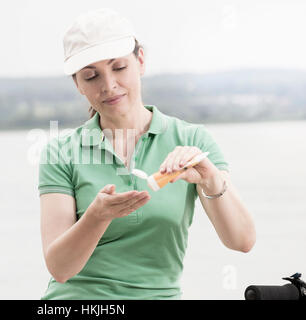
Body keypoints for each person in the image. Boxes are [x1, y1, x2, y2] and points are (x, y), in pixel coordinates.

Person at [38, 8, 256, 300]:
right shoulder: (60, 152)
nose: (109, 85)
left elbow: (242, 241)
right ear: (78, 84)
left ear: (140, 61)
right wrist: (96, 217)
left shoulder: (191, 139)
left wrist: (210, 179)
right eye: (91, 76)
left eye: (118, 68)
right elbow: (60, 269)